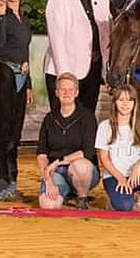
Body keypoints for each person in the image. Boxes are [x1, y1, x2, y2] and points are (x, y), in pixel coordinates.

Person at [0, 0, 35, 201]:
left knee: (15, 131)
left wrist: (29, 84)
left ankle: (10, 182)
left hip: (21, 77)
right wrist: (2, 15)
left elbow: (25, 51)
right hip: (4, 74)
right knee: (2, 131)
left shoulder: (23, 19)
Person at [44, 0, 112, 114]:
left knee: (87, 116)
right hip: (65, 69)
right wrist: (65, 77)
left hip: (93, 69)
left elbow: (107, 38)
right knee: (64, 118)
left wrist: (107, 70)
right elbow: (56, 40)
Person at [96, 85, 140, 211]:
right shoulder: (105, 126)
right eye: (121, 100)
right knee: (125, 206)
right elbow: (104, 159)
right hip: (115, 176)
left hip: (136, 175)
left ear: (135, 103)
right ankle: (114, 200)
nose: (125, 104)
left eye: (129, 100)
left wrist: (138, 166)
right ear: (115, 103)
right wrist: (120, 178)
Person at [37, 73, 100, 210]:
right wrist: (47, 180)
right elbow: (41, 154)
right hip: (56, 172)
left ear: (76, 92)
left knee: (80, 166)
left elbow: (87, 151)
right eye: (62, 89)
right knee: (48, 205)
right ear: (57, 93)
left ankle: (82, 198)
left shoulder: (87, 117)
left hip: (83, 171)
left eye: (70, 90)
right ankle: (64, 191)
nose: (66, 93)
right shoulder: (49, 119)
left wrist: (58, 161)